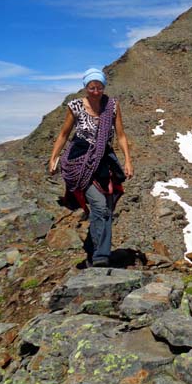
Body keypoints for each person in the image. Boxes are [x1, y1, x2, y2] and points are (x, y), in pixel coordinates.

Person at [49, 68, 134, 267]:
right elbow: (63, 134)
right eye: (92, 87)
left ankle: (92, 247)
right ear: (85, 87)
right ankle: (100, 256)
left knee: (107, 207)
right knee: (100, 206)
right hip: (79, 160)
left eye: (99, 87)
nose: (96, 91)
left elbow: (121, 135)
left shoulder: (112, 106)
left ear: (104, 87)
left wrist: (128, 160)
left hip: (104, 161)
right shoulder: (76, 106)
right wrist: (53, 157)